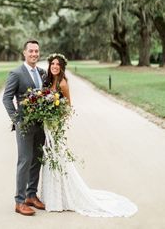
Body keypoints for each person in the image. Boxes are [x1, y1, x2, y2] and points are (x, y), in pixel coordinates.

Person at [41, 53, 138, 217]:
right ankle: (52, 196)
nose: (55, 66)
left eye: (58, 64)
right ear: (50, 66)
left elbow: (68, 107)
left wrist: (57, 122)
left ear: (62, 67)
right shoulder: (49, 81)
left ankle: (61, 198)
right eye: (53, 64)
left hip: (55, 127)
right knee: (49, 158)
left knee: (58, 158)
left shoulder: (63, 83)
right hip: (48, 127)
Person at [3, 40, 47, 216]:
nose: (34, 54)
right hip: (25, 125)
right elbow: (7, 98)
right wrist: (17, 119)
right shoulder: (16, 73)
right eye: (31, 51)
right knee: (24, 160)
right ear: (24, 53)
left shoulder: (42, 73)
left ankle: (31, 195)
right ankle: (19, 201)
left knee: (37, 159)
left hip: (40, 124)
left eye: (36, 51)